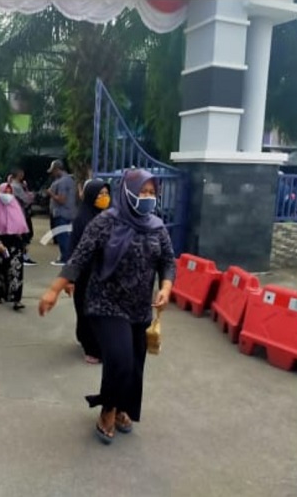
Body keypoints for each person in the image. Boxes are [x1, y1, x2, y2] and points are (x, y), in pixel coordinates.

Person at [38, 168, 176, 445]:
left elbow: (167, 261)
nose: (147, 197)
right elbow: (80, 257)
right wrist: (54, 289)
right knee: (120, 359)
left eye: (151, 192)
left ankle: (124, 407)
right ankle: (108, 409)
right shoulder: (105, 222)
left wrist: (166, 287)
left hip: (139, 307)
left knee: (134, 364)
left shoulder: (156, 226)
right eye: (142, 191)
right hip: (106, 303)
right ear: (128, 192)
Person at [69, 178, 111, 364]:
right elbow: (74, 250)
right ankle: (91, 348)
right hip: (86, 274)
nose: (104, 197)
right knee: (87, 311)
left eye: (106, 193)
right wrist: (70, 278)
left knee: (99, 312)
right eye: (100, 194)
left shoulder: (108, 217)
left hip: (103, 273)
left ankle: (91, 341)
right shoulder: (82, 219)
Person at [0, 182, 30, 311]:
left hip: (15, 242)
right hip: (0, 242)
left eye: (10, 192)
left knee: (16, 269)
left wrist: (25, 243)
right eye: (5, 192)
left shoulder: (15, 206)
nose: (8, 195)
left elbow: (21, 225)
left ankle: (16, 299)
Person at [46, 159, 77, 266]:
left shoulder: (62, 182)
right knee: (66, 236)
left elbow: (62, 199)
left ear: (57, 169)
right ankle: (66, 256)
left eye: (53, 171)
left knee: (62, 237)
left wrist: (51, 193)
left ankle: (65, 258)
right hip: (69, 212)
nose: (52, 174)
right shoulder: (70, 180)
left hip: (62, 213)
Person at [10, 168, 37, 266]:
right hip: (19, 214)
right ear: (19, 174)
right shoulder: (16, 186)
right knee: (24, 235)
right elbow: (26, 199)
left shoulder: (15, 185)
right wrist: (31, 195)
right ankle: (23, 256)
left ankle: (21, 255)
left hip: (18, 213)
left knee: (22, 235)